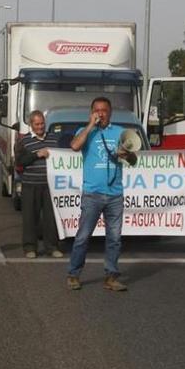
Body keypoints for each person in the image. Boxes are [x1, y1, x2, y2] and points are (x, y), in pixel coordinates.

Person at [67, 97, 135, 291]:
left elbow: (134, 160)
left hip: (115, 194)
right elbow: (74, 146)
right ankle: (73, 274)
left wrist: (127, 155)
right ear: (91, 112)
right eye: (97, 110)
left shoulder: (120, 132)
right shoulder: (85, 131)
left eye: (104, 110)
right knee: (83, 236)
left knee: (114, 238)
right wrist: (90, 126)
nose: (101, 114)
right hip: (93, 194)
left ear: (110, 112)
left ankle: (111, 276)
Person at [15, 110, 62, 258]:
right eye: (37, 124)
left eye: (42, 123)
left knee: (50, 218)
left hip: (51, 186)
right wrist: (36, 155)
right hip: (30, 184)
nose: (40, 127)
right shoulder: (24, 141)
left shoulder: (54, 139)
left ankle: (52, 247)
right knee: (30, 218)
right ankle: (30, 247)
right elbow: (19, 161)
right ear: (31, 125)